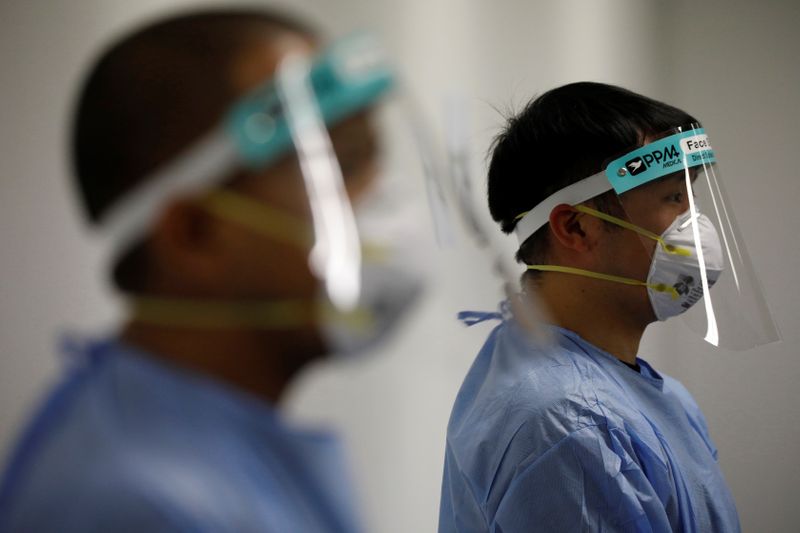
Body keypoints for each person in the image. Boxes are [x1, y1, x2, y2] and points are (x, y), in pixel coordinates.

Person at [0, 8, 423, 532]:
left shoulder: (211, 445)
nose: (386, 201)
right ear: (195, 233)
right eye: (342, 165)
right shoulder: (130, 504)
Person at [438, 82, 745, 532]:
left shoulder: (634, 395)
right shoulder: (569, 426)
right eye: (672, 198)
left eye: (691, 197)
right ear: (578, 227)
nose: (695, 224)